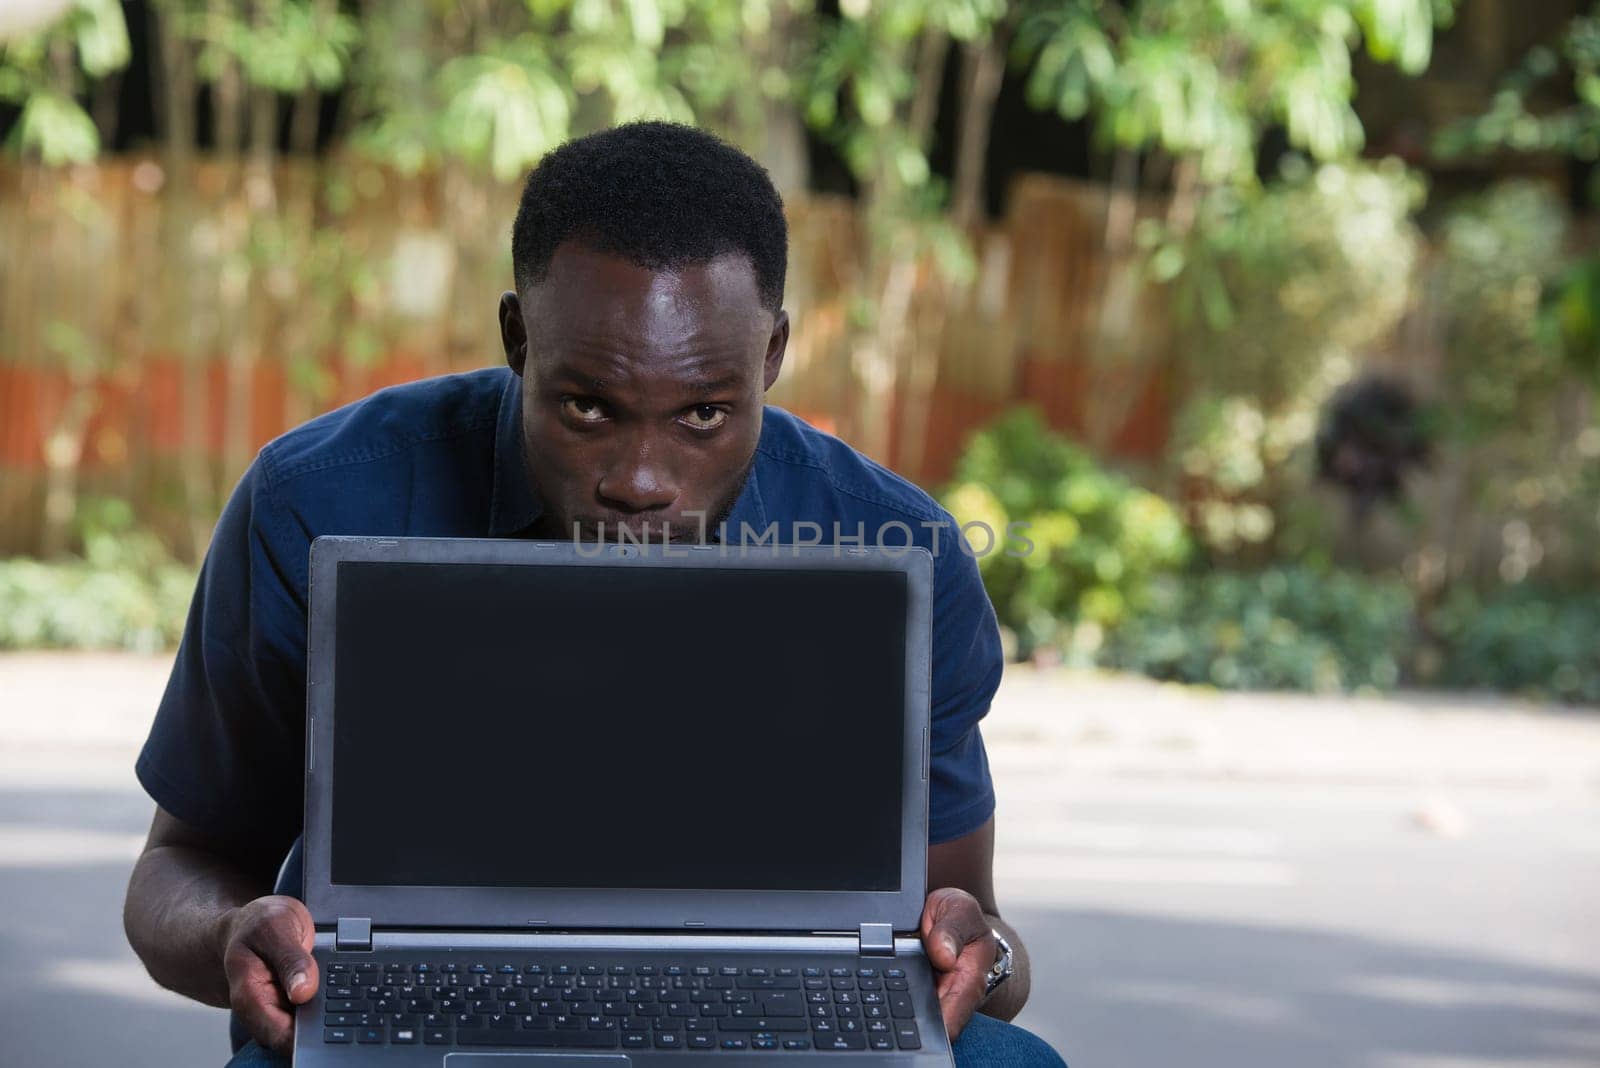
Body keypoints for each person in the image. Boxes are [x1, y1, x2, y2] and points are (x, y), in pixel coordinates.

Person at [122, 121, 1066, 1068]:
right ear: (518, 339)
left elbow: (981, 939)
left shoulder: (896, 550)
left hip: (767, 1015)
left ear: (771, 355)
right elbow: (178, 865)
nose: (641, 481)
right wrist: (229, 936)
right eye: (588, 408)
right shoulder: (314, 501)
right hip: (426, 1006)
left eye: (704, 412)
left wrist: (978, 956)